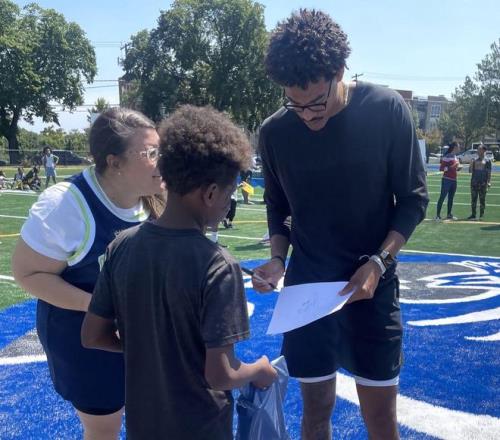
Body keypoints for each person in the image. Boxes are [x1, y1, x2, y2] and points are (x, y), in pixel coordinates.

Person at [252, 10, 428, 440]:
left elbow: (412, 200)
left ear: (340, 72)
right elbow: (277, 205)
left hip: (372, 284)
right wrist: (277, 259)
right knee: (315, 414)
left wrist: (378, 263)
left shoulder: (386, 110)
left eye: (316, 101)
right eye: (294, 103)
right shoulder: (275, 132)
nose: (307, 115)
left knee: (381, 419)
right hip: (308, 291)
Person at [81, 105, 277, 439]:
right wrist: (259, 369)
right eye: (228, 194)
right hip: (202, 427)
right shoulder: (218, 264)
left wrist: (151, 349)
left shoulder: (122, 246)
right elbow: (221, 374)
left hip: (144, 425)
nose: (227, 204)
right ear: (211, 193)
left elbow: (93, 335)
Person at [12, 108, 165, 440]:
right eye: (151, 153)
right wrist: (103, 308)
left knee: (150, 414)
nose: (162, 161)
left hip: (139, 331)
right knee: (103, 429)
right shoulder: (66, 206)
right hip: (85, 339)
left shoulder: (154, 196)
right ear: (115, 162)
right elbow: (27, 273)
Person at [435, 141, 461, 220]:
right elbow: (441, 168)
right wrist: (452, 166)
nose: (459, 148)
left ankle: (449, 214)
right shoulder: (447, 156)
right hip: (447, 180)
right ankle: (437, 215)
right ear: (455, 147)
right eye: (458, 146)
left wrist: (458, 168)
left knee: (451, 198)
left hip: (454, 180)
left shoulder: (455, 156)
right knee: (442, 197)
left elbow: (454, 168)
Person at [467, 143, 492, 220]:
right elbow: (470, 171)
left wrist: (489, 182)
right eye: (478, 149)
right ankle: (473, 214)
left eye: (479, 149)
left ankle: (481, 215)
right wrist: (471, 164)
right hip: (474, 182)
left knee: (482, 200)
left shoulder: (487, 161)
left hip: (483, 183)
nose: (478, 151)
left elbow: (489, 173)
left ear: (484, 150)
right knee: (473, 199)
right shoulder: (474, 160)